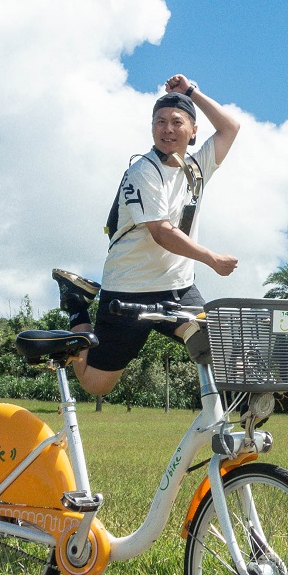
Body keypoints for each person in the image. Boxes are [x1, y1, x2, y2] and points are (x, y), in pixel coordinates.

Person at [51, 75, 240, 396]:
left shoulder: (196, 167)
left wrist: (191, 91)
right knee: (96, 385)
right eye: (160, 122)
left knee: (222, 348)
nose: (167, 128)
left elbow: (230, 128)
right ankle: (76, 304)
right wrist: (212, 258)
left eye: (177, 122)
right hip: (129, 291)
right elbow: (161, 233)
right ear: (152, 128)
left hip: (177, 290)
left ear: (194, 131)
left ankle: (236, 425)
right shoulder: (143, 172)